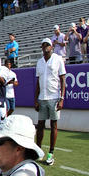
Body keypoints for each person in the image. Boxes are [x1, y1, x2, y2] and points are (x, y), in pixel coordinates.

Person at [34, 38, 66, 166]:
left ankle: (51, 153)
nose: (45, 47)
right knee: (40, 125)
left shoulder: (58, 59)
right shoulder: (39, 62)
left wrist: (62, 98)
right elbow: (37, 82)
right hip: (42, 97)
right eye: (43, 45)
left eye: (47, 45)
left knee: (53, 125)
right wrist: (35, 99)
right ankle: (38, 150)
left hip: (54, 97)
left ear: (52, 46)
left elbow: (63, 79)